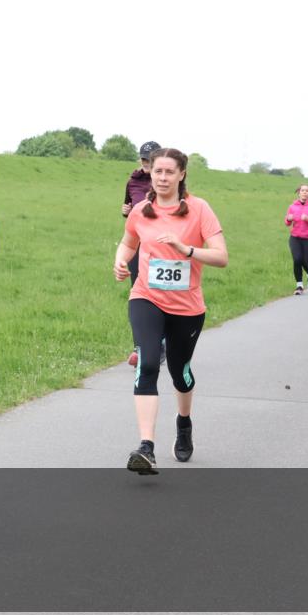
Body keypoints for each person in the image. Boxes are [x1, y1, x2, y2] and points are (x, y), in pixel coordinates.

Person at [113, 148, 228, 474]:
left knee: (180, 372)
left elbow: (221, 257)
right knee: (148, 363)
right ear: (150, 173)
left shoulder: (199, 209)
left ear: (181, 175)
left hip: (187, 307)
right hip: (146, 298)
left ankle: (184, 422)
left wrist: (186, 249)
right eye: (157, 171)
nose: (162, 177)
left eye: (168, 172)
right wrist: (120, 261)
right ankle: (146, 447)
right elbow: (128, 243)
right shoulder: (141, 210)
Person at [122, 141, 162, 367]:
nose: (146, 163)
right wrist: (125, 211)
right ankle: (140, 348)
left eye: (151, 159)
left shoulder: (164, 181)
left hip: (161, 246)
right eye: (144, 158)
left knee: (160, 293)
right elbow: (129, 208)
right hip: (138, 244)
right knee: (138, 295)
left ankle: (161, 343)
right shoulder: (133, 181)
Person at [284, 184, 308, 294]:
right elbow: (287, 223)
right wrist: (288, 219)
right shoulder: (292, 206)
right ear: (299, 192)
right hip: (295, 238)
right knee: (297, 260)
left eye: (307, 191)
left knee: (307, 262)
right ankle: (299, 286)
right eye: (302, 190)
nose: (305, 192)